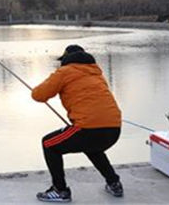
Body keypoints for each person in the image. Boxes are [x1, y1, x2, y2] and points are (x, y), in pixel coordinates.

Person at [31, 44, 123, 203]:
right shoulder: (97, 74)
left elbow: (39, 95)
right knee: (92, 147)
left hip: (88, 129)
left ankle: (60, 190)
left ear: (66, 59)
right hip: (114, 129)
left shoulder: (65, 72)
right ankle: (114, 182)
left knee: (48, 144)